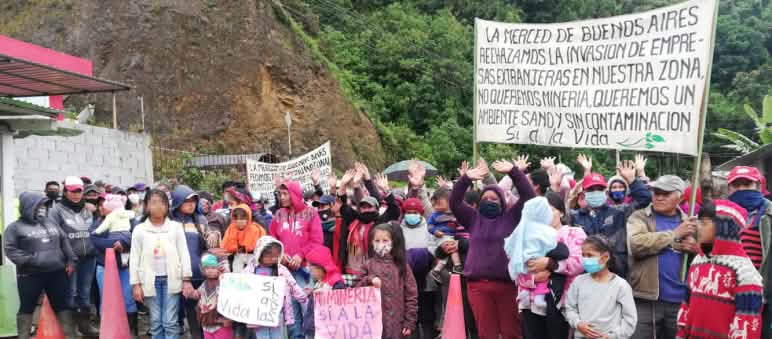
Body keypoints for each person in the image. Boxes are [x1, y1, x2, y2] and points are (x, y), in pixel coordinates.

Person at [450, 159, 536, 339]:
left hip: (507, 286)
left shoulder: (512, 218)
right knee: (486, 333)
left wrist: (514, 172)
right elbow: (455, 202)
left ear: (502, 201)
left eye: (494, 198)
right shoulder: (473, 219)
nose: (489, 201)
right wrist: (466, 178)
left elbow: (529, 197)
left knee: (511, 332)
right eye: (485, 199)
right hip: (478, 286)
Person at [676, 200, 764, 338]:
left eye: (704, 223)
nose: (698, 227)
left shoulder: (744, 272)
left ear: (724, 227)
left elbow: (747, 323)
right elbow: (686, 306)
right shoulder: (698, 261)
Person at [628, 175, 698, 339]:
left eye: (665, 194)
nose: (659, 197)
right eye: (656, 192)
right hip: (645, 298)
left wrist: (695, 249)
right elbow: (636, 245)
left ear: (680, 197)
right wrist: (673, 235)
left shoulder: (690, 224)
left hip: (681, 300)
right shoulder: (640, 217)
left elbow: (708, 257)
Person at [4, 192, 78, 338]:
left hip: (57, 272)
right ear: (28, 207)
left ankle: (70, 336)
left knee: (62, 306)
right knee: (27, 307)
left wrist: (71, 260)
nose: (42, 208)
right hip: (30, 275)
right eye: (39, 205)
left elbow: (64, 241)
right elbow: (10, 250)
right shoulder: (14, 228)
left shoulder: (50, 222)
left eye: (44, 205)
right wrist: (34, 260)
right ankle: (23, 336)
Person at [518, 192, 586, 339]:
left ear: (561, 212)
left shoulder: (574, 233)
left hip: (563, 302)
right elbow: (517, 268)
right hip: (532, 302)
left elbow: (579, 262)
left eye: (551, 209)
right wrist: (533, 278)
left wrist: (550, 264)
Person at [570, 159, 651, 279]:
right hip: (585, 276)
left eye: (599, 189)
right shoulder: (574, 217)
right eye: (591, 190)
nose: (595, 192)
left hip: (616, 274)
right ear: (584, 193)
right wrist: (555, 187)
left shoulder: (620, 212)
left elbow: (645, 199)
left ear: (605, 192)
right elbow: (554, 211)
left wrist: (632, 180)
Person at [130, 189, 194, 339]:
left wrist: (186, 279)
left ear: (167, 206)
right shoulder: (140, 230)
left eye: (162, 203)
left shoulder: (175, 227)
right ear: (146, 206)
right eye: (154, 202)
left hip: (172, 280)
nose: (158, 206)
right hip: (149, 281)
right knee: (156, 321)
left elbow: (183, 253)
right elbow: (134, 258)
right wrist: (136, 284)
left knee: (170, 322)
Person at [269, 179, 323, 339]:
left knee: (308, 310)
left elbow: (317, 240)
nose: (282, 197)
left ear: (295, 194)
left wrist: (301, 255)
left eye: (286, 194)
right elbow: (271, 239)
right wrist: (279, 253)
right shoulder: (278, 214)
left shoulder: (311, 213)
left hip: (306, 271)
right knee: (291, 313)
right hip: (285, 271)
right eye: (281, 194)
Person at [47, 176, 99, 336]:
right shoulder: (56, 210)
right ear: (65, 191)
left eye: (79, 191)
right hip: (70, 260)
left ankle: (85, 326)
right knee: (71, 293)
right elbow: (54, 236)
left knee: (84, 293)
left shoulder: (88, 210)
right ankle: (70, 329)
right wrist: (67, 257)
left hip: (88, 258)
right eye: (72, 191)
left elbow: (95, 231)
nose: (76, 194)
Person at [727, 166, 772, 337]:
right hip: (729, 292)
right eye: (736, 185)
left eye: (747, 184)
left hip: (762, 293)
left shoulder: (770, 213)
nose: (741, 189)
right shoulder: (721, 215)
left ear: (759, 186)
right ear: (729, 188)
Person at [564, 235, 637, 339]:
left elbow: (630, 320)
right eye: (583, 255)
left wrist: (612, 336)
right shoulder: (578, 282)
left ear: (605, 257)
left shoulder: (620, 285)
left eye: (590, 255)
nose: (585, 259)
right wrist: (578, 324)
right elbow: (569, 308)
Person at [170, 185, 218, 339]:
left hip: (197, 274)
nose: (191, 204)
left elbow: (210, 241)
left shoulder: (201, 219)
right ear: (177, 202)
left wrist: (213, 235)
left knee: (195, 313)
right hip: (175, 275)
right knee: (174, 315)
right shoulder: (169, 221)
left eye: (193, 201)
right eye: (187, 201)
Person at [356, 223, 418, 339]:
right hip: (373, 324)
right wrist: (369, 280)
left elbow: (411, 295)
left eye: (385, 240)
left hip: (397, 324)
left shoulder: (402, 266)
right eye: (377, 240)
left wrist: (409, 321)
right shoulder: (368, 265)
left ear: (393, 242)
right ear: (371, 242)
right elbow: (356, 289)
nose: (381, 244)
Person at [89, 194, 138, 336]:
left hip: (125, 267)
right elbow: (95, 240)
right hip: (104, 267)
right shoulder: (97, 223)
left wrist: (124, 243)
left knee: (128, 298)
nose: (103, 207)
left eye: (106, 204)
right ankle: (109, 332)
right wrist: (115, 244)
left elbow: (136, 237)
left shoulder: (130, 220)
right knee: (106, 300)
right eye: (101, 204)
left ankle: (131, 332)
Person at [504, 197, 560, 316]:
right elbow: (553, 245)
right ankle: (538, 297)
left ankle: (524, 292)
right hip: (539, 261)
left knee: (526, 275)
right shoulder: (546, 230)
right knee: (542, 278)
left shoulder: (520, 229)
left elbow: (508, 245)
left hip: (522, 262)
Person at [243, 236, 308, 339]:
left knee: (278, 336)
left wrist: (304, 298)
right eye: (269, 255)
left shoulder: (281, 270)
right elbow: (241, 286)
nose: (273, 258)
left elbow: (293, 285)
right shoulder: (249, 270)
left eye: (276, 256)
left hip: (277, 312)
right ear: (259, 254)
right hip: (257, 314)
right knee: (262, 337)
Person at [302, 246, 346, 338]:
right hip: (314, 327)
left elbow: (339, 305)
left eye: (311, 267)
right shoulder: (321, 280)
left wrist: (325, 294)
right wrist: (312, 293)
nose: (309, 270)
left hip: (325, 330)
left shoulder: (336, 282)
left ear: (320, 267)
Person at [188, 253, 233, 339]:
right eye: (207, 268)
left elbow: (230, 303)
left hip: (222, 324)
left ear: (219, 269)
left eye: (213, 268)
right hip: (207, 323)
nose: (210, 270)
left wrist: (229, 319)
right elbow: (198, 294)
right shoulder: (204, 284)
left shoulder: (225, 284)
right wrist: (190, 293)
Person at [428, 188, 465, 278]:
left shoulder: (455, 213)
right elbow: (429, 226)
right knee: (451, 248)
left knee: (446, 255)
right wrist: (435, 231)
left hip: (452, 236)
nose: (436, 207)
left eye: (439, 204)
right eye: (434, 205)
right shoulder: (435, 215)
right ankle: (457, 265)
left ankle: (436, 270)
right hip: (441, 236)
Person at [221, 204, 267, 273]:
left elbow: (260, 247)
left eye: (242, 218)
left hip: (253, 256)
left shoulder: (254, 229)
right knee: (236, 272)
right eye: (237, 219)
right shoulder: (231, 228)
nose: (239, 221)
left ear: (248, 218)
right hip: (237, 256)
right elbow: (226, 245)